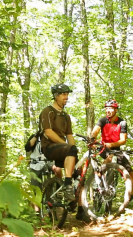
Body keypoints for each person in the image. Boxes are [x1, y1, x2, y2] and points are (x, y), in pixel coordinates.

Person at [39, 83, 90, 222]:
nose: (66, 97)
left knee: (80, 174)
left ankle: (80, 210)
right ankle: (67, 184)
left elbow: (70, 137)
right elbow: (48, 132)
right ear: (56, 96)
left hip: (64, 150)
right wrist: (67, 146)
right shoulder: (47, 112)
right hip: (49, 147)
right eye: (63, 95)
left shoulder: (66, 116)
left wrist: (74, 153)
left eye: (67, 94)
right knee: (70, 150)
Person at [90, 99, 133, 198]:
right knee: (109, 157)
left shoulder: (122, 122)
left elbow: (123, 140)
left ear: (116, 110)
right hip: (103, 148)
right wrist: (92, 139)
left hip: (116, 149)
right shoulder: (102, 120)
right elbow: (95, 131)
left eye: (110, 108)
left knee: (129, 170)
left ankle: (130, 194)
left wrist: (111, 144)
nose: (108, 111)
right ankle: (97, 178)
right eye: (106, 108)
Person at [25, 132, 62, 212]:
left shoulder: (52, 136)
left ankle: (58, 190)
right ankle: (37, 213)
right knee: (35, 190)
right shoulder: (35, 136)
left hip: (48, 162)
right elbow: (27, 147)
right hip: (35, 164)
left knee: (58, 169)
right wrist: (36, 136)